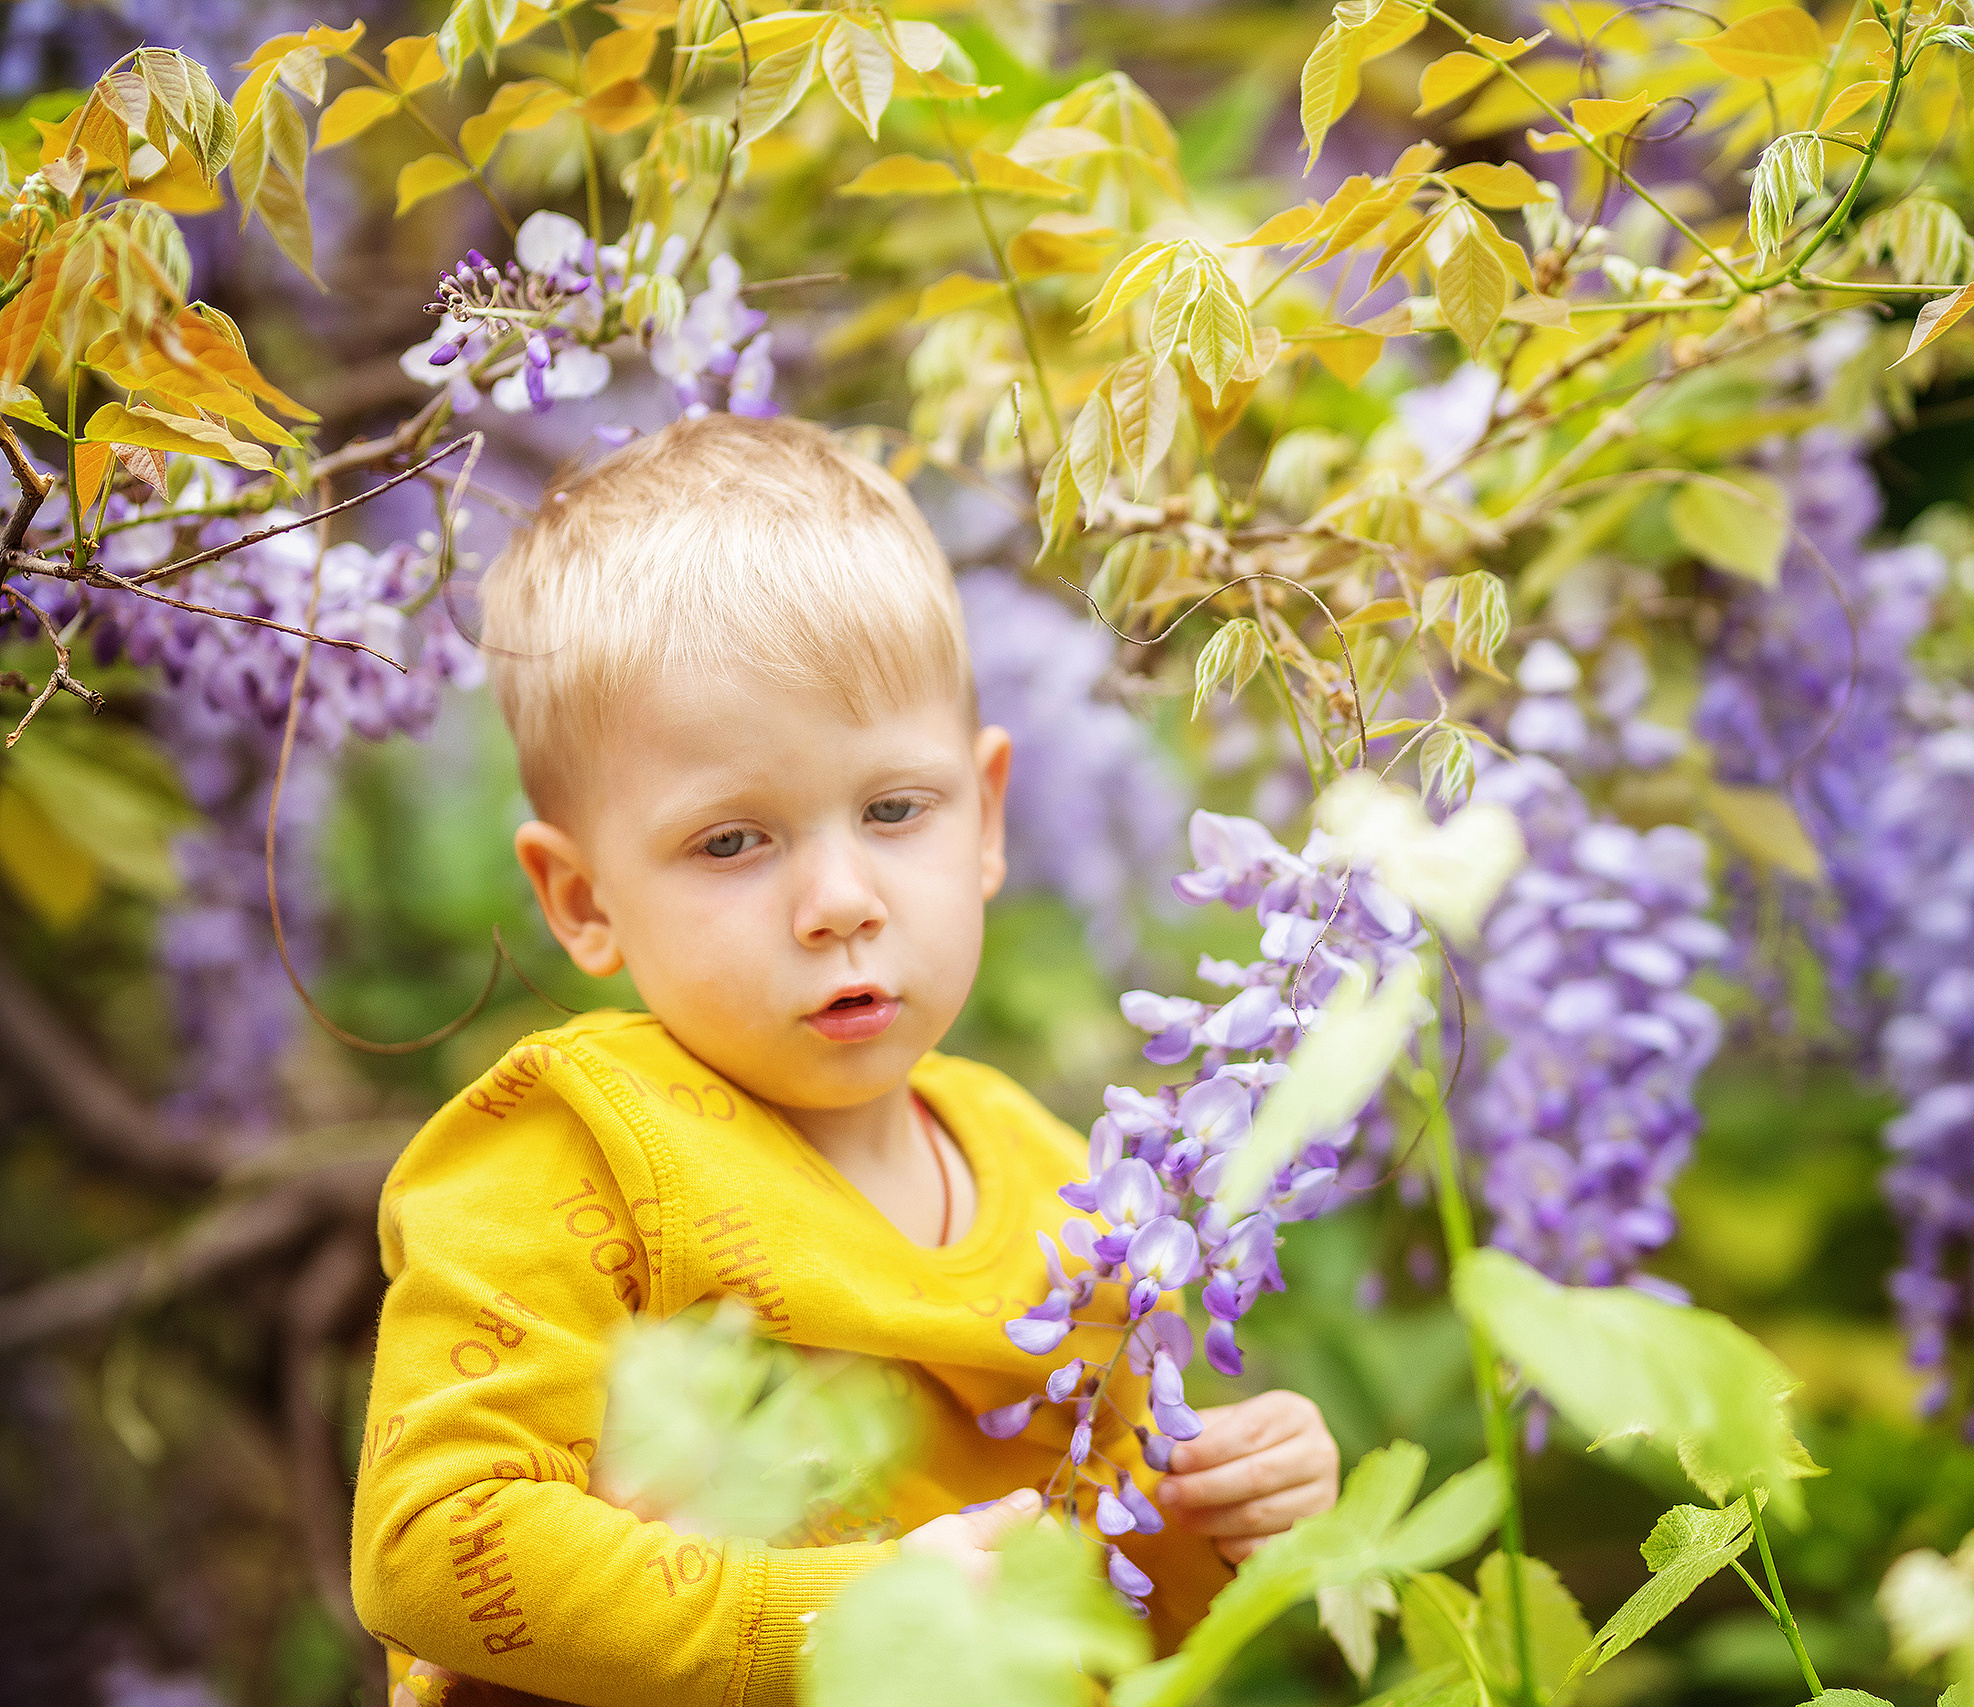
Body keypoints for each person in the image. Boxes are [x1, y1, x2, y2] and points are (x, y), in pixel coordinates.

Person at [349, 415, 1340, 1707]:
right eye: (731, 843)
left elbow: (1110, 1627)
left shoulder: (1071, 1190)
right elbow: (429, 1549)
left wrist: (1229, 1520)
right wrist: (823, 1624)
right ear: (582, 899)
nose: (839, 899)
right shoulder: (574, 1149)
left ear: (987, 819)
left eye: (891, 810)